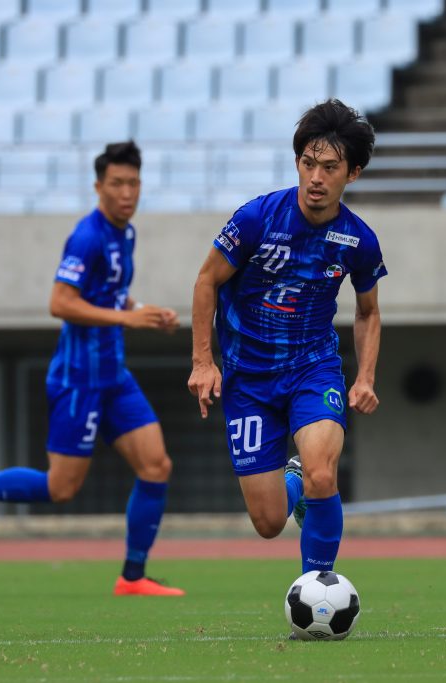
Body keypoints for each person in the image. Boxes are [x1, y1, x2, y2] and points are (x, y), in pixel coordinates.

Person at [0, 141, 185, 597]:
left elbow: (109, 291)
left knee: (156, 465)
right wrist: (126, 320)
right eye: (117, 184)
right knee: (61, 488)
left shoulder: (126, 234)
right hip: (79, 379)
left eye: (134, 183)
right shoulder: (87, 236)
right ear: (98, 186)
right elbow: (60, 302)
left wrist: (143, 309)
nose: (127, 192)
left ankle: (133, 576)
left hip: (113, 375)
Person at [188, 99, 386, 579]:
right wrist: (203, 362)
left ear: (352, 173)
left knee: (324, 472)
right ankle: (292, 480)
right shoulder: (257, 219)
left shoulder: (359, 240)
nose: (316, 177)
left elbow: (367, 312)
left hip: (312, 369)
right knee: (269, 521)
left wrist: (364, 377)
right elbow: (206, 281)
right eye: (308, 163)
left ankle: (319, 586)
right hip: (248, 378)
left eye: (330, 167)